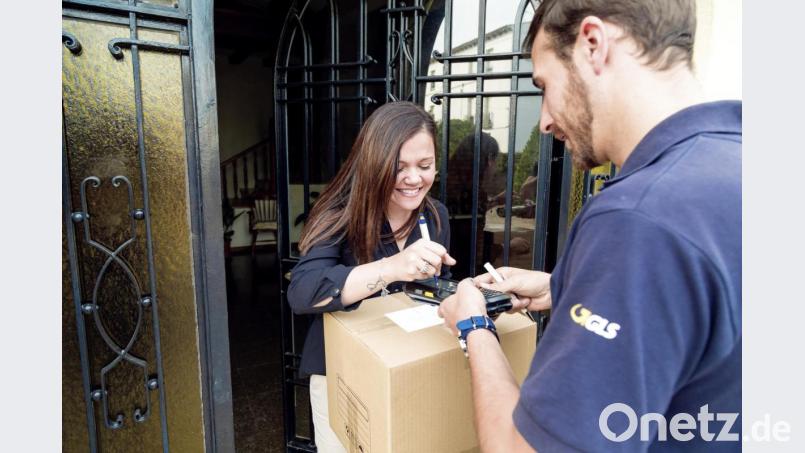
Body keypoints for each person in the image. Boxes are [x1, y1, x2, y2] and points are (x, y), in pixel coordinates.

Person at [438, 0, 741, 451]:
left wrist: (474, 329)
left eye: (543, 84)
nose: (542, 122)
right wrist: (563, 286)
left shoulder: (639, 216)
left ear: (593, 44)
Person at [287, 101, 456, 452]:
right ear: (374, 165)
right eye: (399, 167)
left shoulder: (435, 216)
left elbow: (433, 293)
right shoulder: (339, 213)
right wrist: (392, 268)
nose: (414, 179)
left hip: (407, 366)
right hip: (342, 372)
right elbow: (303, 293)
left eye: (425, 166)